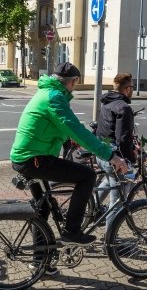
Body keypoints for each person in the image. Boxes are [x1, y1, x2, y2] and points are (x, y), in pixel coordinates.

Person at [10, 62, 127, 246]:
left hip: (25, 157)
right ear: (72, 81)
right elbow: (77, 130)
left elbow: (58, 126)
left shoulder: (46, 91)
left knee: (43, 209)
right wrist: (110, 155)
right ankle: (72, 232)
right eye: (75, 82)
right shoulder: (55, 97)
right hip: (35, 159)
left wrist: (69, 139)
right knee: (87, 176)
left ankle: (40, 261)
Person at [95, 73, 137, 232]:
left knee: (107, 182)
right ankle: (110, 240)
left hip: (102, 154)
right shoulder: (124, 108)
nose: (133, 90)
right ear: (127, 89)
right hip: (115, 158)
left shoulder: (106, 104)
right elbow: (123, 139)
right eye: (132, 87)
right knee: (118, 201)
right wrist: (131, 159)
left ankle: (91, 213)